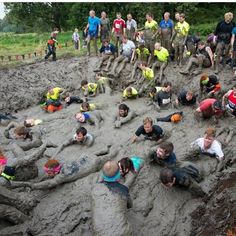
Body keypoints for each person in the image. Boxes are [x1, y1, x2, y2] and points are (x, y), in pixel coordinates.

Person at [13, 147, 119, 190]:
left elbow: (50, 183)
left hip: (92, 164)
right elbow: (49, 176)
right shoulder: (61, 164)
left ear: (55, 171)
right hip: (84, 157)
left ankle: (114, 152)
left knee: (105, 158)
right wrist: (39, 180)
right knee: (92, 155)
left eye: (49, 173)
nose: (47, 174)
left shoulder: (61, 176)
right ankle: (104, 149)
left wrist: (33, 186)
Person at [92, 160, 134, 235]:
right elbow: (130, 205)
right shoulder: (123, 190)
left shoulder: (95, 188)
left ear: (102, 175)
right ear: (119, 175)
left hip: (97, 232)